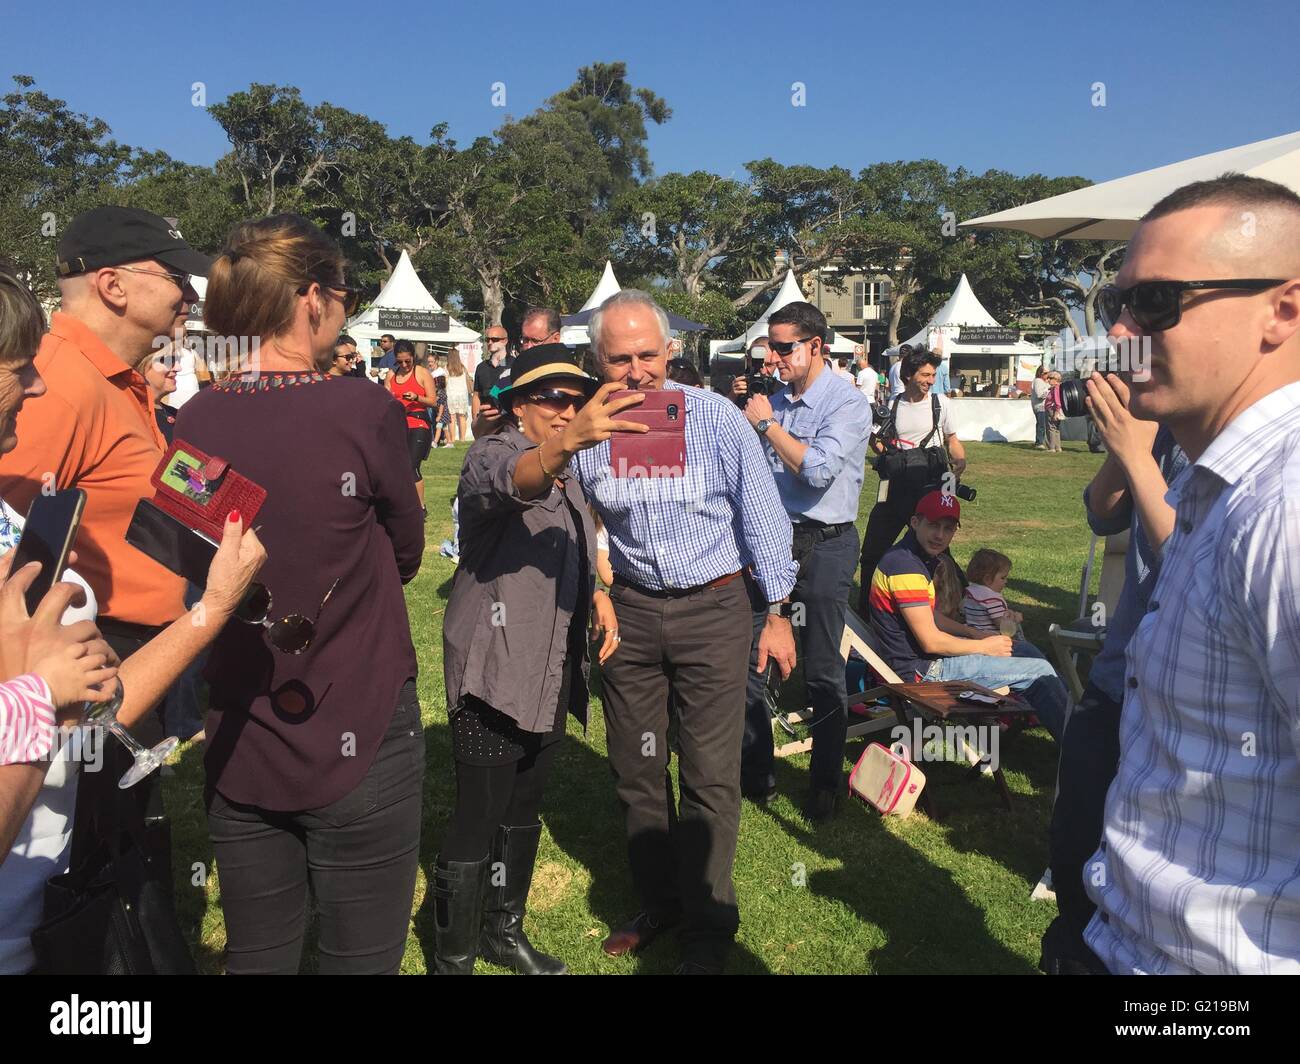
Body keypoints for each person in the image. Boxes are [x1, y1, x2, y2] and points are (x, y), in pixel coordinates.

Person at [176, 212, 426, 975]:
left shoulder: (191, 418)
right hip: (360, 714)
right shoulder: (362, 408)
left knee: (259, 953)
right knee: (361, 957)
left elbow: (202, 557)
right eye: (345, 295)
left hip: (241, 722)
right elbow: (408, 549)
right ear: (312, 299)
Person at [0, 261, 266, 973]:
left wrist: (234, 527)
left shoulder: (126, 380)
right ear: (114, 285)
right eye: (175, 274)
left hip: (124, 665)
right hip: (87, 662)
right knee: (106, 857)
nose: (191, 293)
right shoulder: (64, 378)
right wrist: (36, 690)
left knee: (127, 845)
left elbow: (159, 479)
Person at [1079, 174, 1300, 975]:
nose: (1122, 329)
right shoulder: (1221, 483)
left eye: (1160, 303)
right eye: (1119, 299)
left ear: (1284, 310)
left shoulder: (1285, 508)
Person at [567, 289, 799, 974]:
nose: (636, 372)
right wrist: (600, 581)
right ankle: (659, 900)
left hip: (714, 608)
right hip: (632, 614)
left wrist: (779, 612)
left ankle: (708, 925)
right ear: (597, 359)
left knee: (708, 773)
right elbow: (582, 524)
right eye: (620, 359)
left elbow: (764, 517)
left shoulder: (718, 419)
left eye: (648, 355)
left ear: (670, 352)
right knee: (636, 767)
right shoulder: (589, 431)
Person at [436, 343, 644, 975]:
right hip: (494, 671)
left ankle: (503, 934)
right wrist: (564, 444)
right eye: (554, 398)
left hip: (551, 669)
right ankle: (453, 956)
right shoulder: (492, 454)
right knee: (480, 813)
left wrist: (601, 594)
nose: (568, 410)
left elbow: (578, 544)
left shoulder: (572, 474)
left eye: (577, 400)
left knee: (524, 807)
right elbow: (512, 483)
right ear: (517, 404)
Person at [1041, 380, 1184, 974]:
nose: (1124, 338)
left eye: (1149, 309)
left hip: (1178, 690)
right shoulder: (1166, 423)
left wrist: (1137, 452)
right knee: (1075, 841)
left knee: (1152, 870)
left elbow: (1189, 559)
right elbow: (1102, 516)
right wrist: (1127, 447)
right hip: (1118, 670)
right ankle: (1070, 951)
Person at [738, 301, 871, 821]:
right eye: (769, 346)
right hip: (774, 540)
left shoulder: (848, 403)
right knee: (754, 656)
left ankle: (824, 782)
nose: (773, 357)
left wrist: (768, 425)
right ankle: (758, 773)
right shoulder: (774, 400)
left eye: (784, 347)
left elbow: (816, 473)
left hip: (827, 542)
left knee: (821, 667)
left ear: (816, 346)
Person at [866, 491, 1068, 739]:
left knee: (1025, 651)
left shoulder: (914, 556)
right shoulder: (905, 568)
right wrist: (984, 647)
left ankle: (1079, 726)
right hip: (923, 672)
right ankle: (1080, 754)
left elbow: (929, 615)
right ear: (915, 522)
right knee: (1039, 672)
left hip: (923, 661)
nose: (940, 535)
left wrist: (974, 633)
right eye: (933, 525)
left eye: (948, 528)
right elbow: (931, 641)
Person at [858, 347, 967, 613]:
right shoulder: (892, 405)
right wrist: (889, 455)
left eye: (933, 375)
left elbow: (952, 440)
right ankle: (868, 609)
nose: (930, 381)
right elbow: (876, 442)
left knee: (937, 549)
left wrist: (960, 463)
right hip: (895, 489)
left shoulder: (940, 404)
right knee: (873, 551)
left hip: (929, 487)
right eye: (925, 375)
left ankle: (956, 604)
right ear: (908, 374)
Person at [388, 340, 437, 513]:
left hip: (418, 423)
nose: (404, 365)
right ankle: (402, 505)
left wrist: (417, 397)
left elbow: (433, 401)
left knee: (411, 466)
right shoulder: (391, 375)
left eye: (407, 361)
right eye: (399, 361)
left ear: (413, 358)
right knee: (397, 467)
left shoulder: (422, 373)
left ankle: (420, 507)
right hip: (398, 424)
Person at [136, 344, 180, 444]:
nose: (178, 367)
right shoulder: (131, 415)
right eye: (168, 360)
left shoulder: (177, 414)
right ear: (142, 364)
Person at [473, 324, 512, 423]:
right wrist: (475, 420)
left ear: (505, 341)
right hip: (486, 421)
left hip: (509, 421)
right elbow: (476, 395)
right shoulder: (481, 367)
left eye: (494, 339)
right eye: (487, 339)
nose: (490, 342)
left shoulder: (515, 364)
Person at [445, 348, 471, 442]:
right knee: (462, 417)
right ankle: (462, 439)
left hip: (451, 395)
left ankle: (452, 439)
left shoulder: (447, 368)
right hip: (462, 395)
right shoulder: (463, 368)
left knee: (451, 417)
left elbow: (445, 382)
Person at [1043, 371, 1064, 452]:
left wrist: (1056, 412)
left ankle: (1051, 448)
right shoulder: (1056, 387)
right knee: (1056, 429)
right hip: (1054, 409)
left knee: (1051, 428)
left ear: (1056, 379)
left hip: (1052, 409)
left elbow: (1057, 401)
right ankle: (1058, 447)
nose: (1048, 380)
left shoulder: (1056, 388)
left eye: (1050, 378)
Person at [1030, 365, 1050, 448]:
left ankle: (1042, 442)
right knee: (1041, 425)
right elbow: (1040, 395)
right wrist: (1049, 391)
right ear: (1040, 373)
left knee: (1043, 425)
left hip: (1044, 406)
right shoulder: (1038, 381)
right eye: (1045, 373)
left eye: (1048, 373)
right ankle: (1039, 443)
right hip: (1040, 406)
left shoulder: (1045, 382)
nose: (1047, 375)